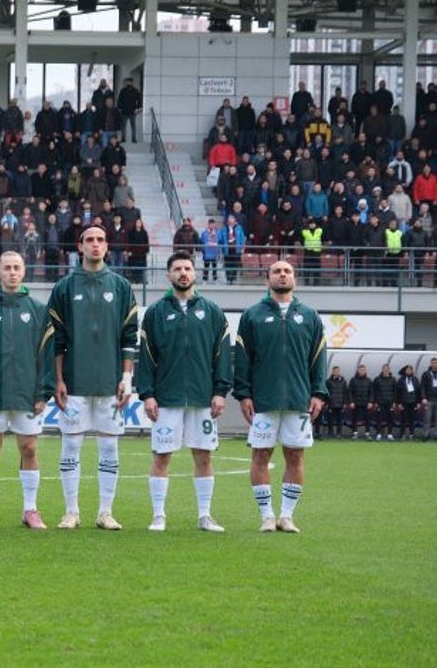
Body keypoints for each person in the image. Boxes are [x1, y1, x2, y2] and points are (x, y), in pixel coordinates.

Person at [46, 225, 138, 530]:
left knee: (109, 448)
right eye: (90, 240)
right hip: (74, 384)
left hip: (111, 384)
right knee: (70, 447)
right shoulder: (64, 288)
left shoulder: (121, 286)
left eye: (100, 239)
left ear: (107, 246)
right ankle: (71, 511)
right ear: (80, 246)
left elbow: (129, 336)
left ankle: (105, 512)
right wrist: (58, 379)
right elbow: (56, 340)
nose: (95, 244)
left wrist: (126, 378)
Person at [137, 252, 231, 533]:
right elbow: (147, 356)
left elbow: (222, 355)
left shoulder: (212, 311)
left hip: (203, 397)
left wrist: (220, 391)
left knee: (204, 456)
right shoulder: (156, 312)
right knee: (162, 456)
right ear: (168, 275)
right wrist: (147, 394)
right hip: (167, 397)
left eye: (187, 268)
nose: (183, 273)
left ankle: (205, 515)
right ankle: (158, 515)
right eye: (177, 269)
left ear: (195, 273)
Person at [233, 261, 327, 533]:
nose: (283, 275)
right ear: (267, 280)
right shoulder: (252, 316)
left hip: (298, 399)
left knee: (295, 456)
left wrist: (318, 392)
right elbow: (242, 359)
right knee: (260, 455)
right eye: (277, 271)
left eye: (287, 271)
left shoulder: (309, 316)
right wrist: (244, 394)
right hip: (264, 400)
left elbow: (318, 358)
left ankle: (286, 516)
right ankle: (266, 516)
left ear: (294, 279)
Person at [0, 251, 54, 530]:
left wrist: (43, 392)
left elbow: (47, 355)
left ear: (24, 271)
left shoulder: (38, 310)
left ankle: (30, 510)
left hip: (27, 393)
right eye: (7, 268)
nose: (12, 272)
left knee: (29, 448)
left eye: (17, 267)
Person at [371, 364, 398, 441]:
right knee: (379, 419)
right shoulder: (377, 379)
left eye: (387, 369)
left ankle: (390, 434)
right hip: (380, 403)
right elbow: (374, 391)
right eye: (384, 369)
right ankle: (378, 434)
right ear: (382, 370)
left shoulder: (393, 379)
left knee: (390, 419)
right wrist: (375, 402)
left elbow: (395, 392)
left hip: (390, 403)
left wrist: (394, 402)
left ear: (389, 370)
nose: (386, 370)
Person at [397, 365, 423, 441]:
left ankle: (412, 435)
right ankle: (402, 435)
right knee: (403, 420)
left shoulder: (415, 379)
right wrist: (399, 403)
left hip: (413, 402)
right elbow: (398, 392)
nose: (408, 371)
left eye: (410, 370)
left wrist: (418, 402)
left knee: (412, 420)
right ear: (405, 371)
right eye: (407, 370)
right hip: (404, 402)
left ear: (412, 371)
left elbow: (418, 391)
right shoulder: (401, 380)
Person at [347, 364, 373, 440]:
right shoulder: (353, 380)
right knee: (354, 418)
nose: (362, 371)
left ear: (365, 371)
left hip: (366, 403)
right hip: (356, 403)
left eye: (363, 370)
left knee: (367, 419)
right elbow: (350, 392)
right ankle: (355, 433)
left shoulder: (369, 380)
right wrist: (351, 401)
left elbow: (371, 392)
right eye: (360, 370)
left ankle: (367, 433)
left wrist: (370, 402)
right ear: (358, 371)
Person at [322, 366, 348, 439]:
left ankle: (339, 433)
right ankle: (330, 433)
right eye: (335, 371)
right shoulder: (328, 382)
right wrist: (326, 403)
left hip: (340, 404)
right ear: (332, 372)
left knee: (340, 420)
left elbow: (345, 393)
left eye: (337, 371)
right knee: (330, 420)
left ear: (339, 372)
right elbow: (326, 393)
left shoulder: (343, 381)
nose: (336, 372)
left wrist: (345, 403)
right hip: (331, 404)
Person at [422, 357, 437, 440]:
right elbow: (422, 387)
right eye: (433, 363)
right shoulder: (426, 374)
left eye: (436, 363)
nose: (434, 364)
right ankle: (426, 435)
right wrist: (424, 397)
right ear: (430, 364)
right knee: (427, 418)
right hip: (429, 400)